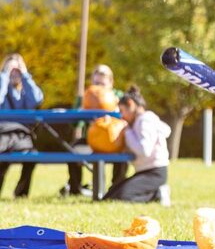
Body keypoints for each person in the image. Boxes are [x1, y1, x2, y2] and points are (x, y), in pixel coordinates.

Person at [0, 53, 44, 197]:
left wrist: (25, 75)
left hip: (21, 136)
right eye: (11, 69)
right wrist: (4, 75)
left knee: (32, 156)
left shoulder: (26, 91)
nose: (14, 73)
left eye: (18, 70)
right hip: (0, 135)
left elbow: (36, 100)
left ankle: (21, 192)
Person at [61, 64, 125, 197]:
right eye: (96, 83)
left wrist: (114, 112)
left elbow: (126, 119)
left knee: (123, 153)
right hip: (90, 140)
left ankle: (116, 188)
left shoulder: (119, 97)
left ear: (111, 83)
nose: (99, 87)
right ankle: (75, 188)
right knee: (73, 149)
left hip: (113, 139)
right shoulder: (86, 97)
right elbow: (74, 124)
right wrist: (81, 113)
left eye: (102, 83)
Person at [103, 85, 171, 204]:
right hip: (143, 171)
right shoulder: (139, 122)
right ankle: (153, 193)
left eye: (122, 111)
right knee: (110, 195)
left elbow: (144, 150)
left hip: (154, 172)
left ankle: (157, 194)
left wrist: (127, 131)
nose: (122, 116)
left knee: (122, 197)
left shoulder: (144, 121)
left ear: (131, 104)